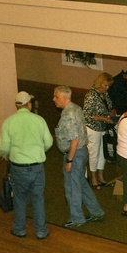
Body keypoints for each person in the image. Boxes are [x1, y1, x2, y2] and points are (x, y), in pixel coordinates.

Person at [0, 91, 54, 239]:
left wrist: (7, 156)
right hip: (37, 166)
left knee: (19, 198)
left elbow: (3, 148)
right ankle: (41, 231)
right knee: (38, 198)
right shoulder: (39, 120)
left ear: (17, 105)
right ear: (29, 104)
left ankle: (19, 229)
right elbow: (49, 142)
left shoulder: (8, 122)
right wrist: (40, 151)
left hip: (18, 167)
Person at [53, 86, 105, 228]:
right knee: (81, 183)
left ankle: (77, 218)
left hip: (74, 154)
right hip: (81, 152)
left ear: (65, 97)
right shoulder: (76, 108)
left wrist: (69, 160)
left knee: (72, 187)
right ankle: (96, 212)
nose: (54, 99)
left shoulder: (68, 115)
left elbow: (74, 140)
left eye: (56, 96)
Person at [83, 72, 115, 188]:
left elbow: (109, 107)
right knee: (94, 152)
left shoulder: (104, 94)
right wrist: (103, 118)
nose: (106, 88)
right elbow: (87, 115)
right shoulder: (91, 95)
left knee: (103, 152)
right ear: (100, 83)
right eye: (105, 86)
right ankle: (94, 178)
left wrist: (111, 113)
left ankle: (101, 176)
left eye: (108, 86)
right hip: (93, 128)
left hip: (102, 127)